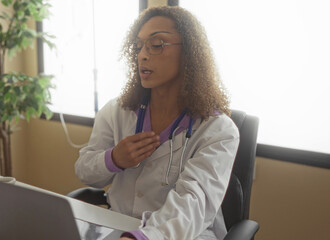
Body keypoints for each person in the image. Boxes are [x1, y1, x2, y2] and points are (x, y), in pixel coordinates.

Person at [75, 6, 239, 240]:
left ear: (189, 53)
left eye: (157, 44)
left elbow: (192, 206)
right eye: (139, 45)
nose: (142, 54)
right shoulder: (117, 111)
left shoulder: (217, 130)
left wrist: (139, 238)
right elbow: (85, 171)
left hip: (184, 234)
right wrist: (113, 159)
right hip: (119, 225)